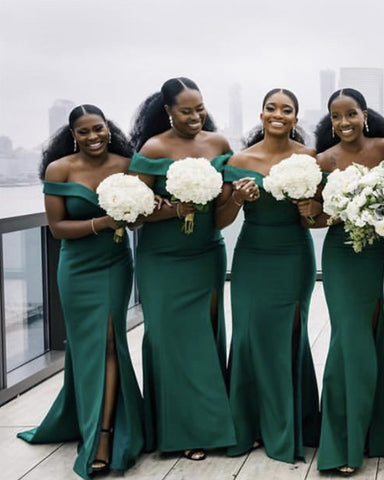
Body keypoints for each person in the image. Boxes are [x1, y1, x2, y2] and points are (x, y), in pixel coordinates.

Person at [17, 104, 145, 479]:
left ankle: (103, 435)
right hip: (76, 268)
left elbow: (138, 220)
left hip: (115, 265)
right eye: (84, 131)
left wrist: (135, 216)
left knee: (108, 342)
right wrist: (104, 221)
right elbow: (57, 228)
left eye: (98, 129)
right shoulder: (60, 169)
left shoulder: (127, 164)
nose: (93, 137)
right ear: (72, 135)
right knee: (85, 347)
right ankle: (81, 417)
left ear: (109, 129)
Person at [128, 77, 236, 460]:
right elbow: (133, 215)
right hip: (162, 261)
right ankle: (182, 431)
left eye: (199, 108)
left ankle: (209, 425)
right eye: (186, 110)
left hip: (207, 253)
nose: (195, 116)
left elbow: (221, 218)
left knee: (203, 340)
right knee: (171, 343)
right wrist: (173, 209)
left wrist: (236, 198)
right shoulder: (153, 148)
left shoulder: (219, 144)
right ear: (168, 111)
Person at [215, 88, 321, 464]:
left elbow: (316, 217)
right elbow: (220, 220)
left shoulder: (309, 158)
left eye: (287, 109)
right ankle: (248, 426)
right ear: (261, 115)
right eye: (271, 108)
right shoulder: (239, 160)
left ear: (296, 118)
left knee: (288, 337)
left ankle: (289, 425)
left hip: (294, 255)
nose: (278, 114)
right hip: (251, 257)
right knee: (247, 337)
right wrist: (238, 199)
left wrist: (308, 207)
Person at [313, 88, 384, 475]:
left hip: (380, 251)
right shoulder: (322, 160)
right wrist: (331, 213)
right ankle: (343, 442)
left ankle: (375, 433)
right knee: (350, 342)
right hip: (343, 256)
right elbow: (313, 219)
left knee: (378, 337)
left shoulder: (383, 148)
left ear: (365, 114)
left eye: (351, 114)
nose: (344, 123)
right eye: (336, 116)